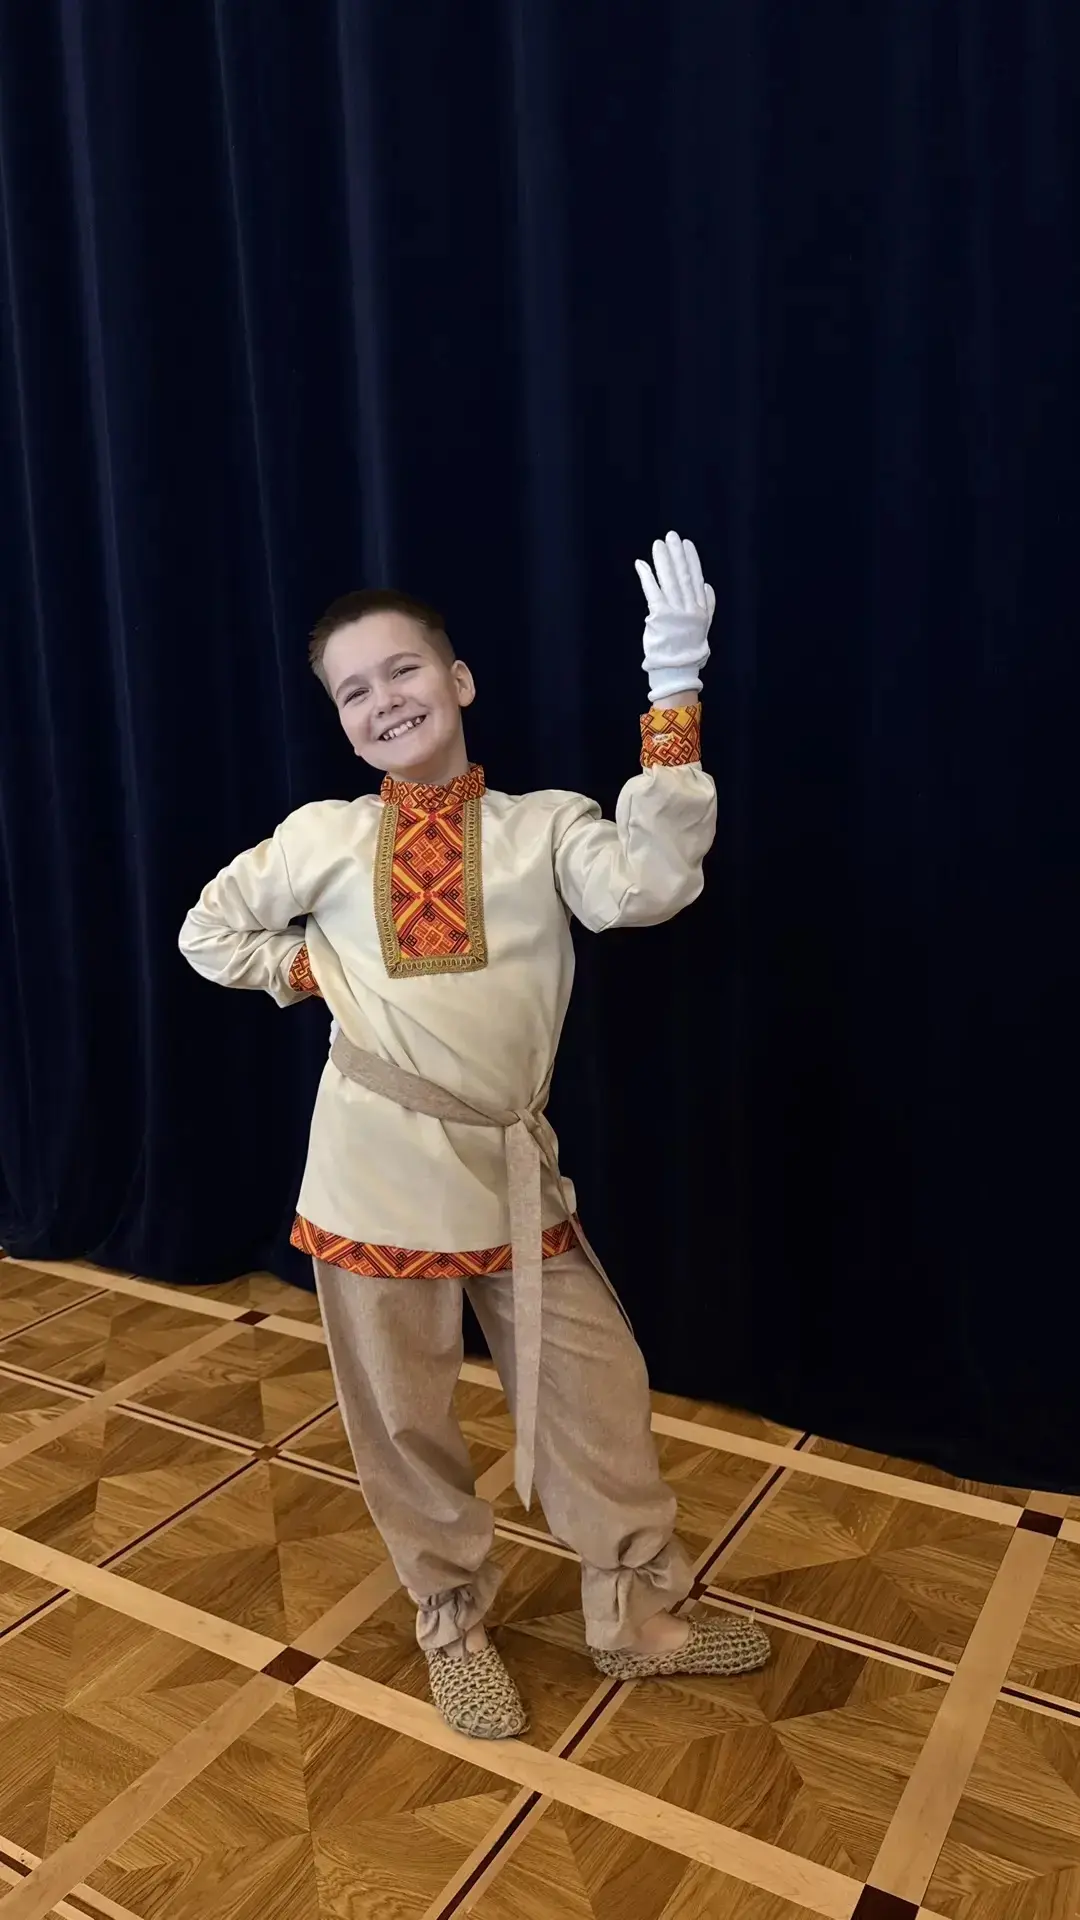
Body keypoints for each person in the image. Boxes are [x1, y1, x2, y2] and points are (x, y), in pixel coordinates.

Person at [179, 532, 769, 1739]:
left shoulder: (548, 827)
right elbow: (208, 931)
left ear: (458, 680)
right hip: (369, 1178)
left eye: (403, 670)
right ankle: (450, 1621)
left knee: (598, 1392)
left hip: (508, 1171)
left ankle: (635, 1614)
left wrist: (673, 683)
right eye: (354, 691)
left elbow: (648, 887)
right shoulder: (321, 836)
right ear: (343, 725)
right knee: (404, 1421)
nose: (384, 701)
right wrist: (311, 972)